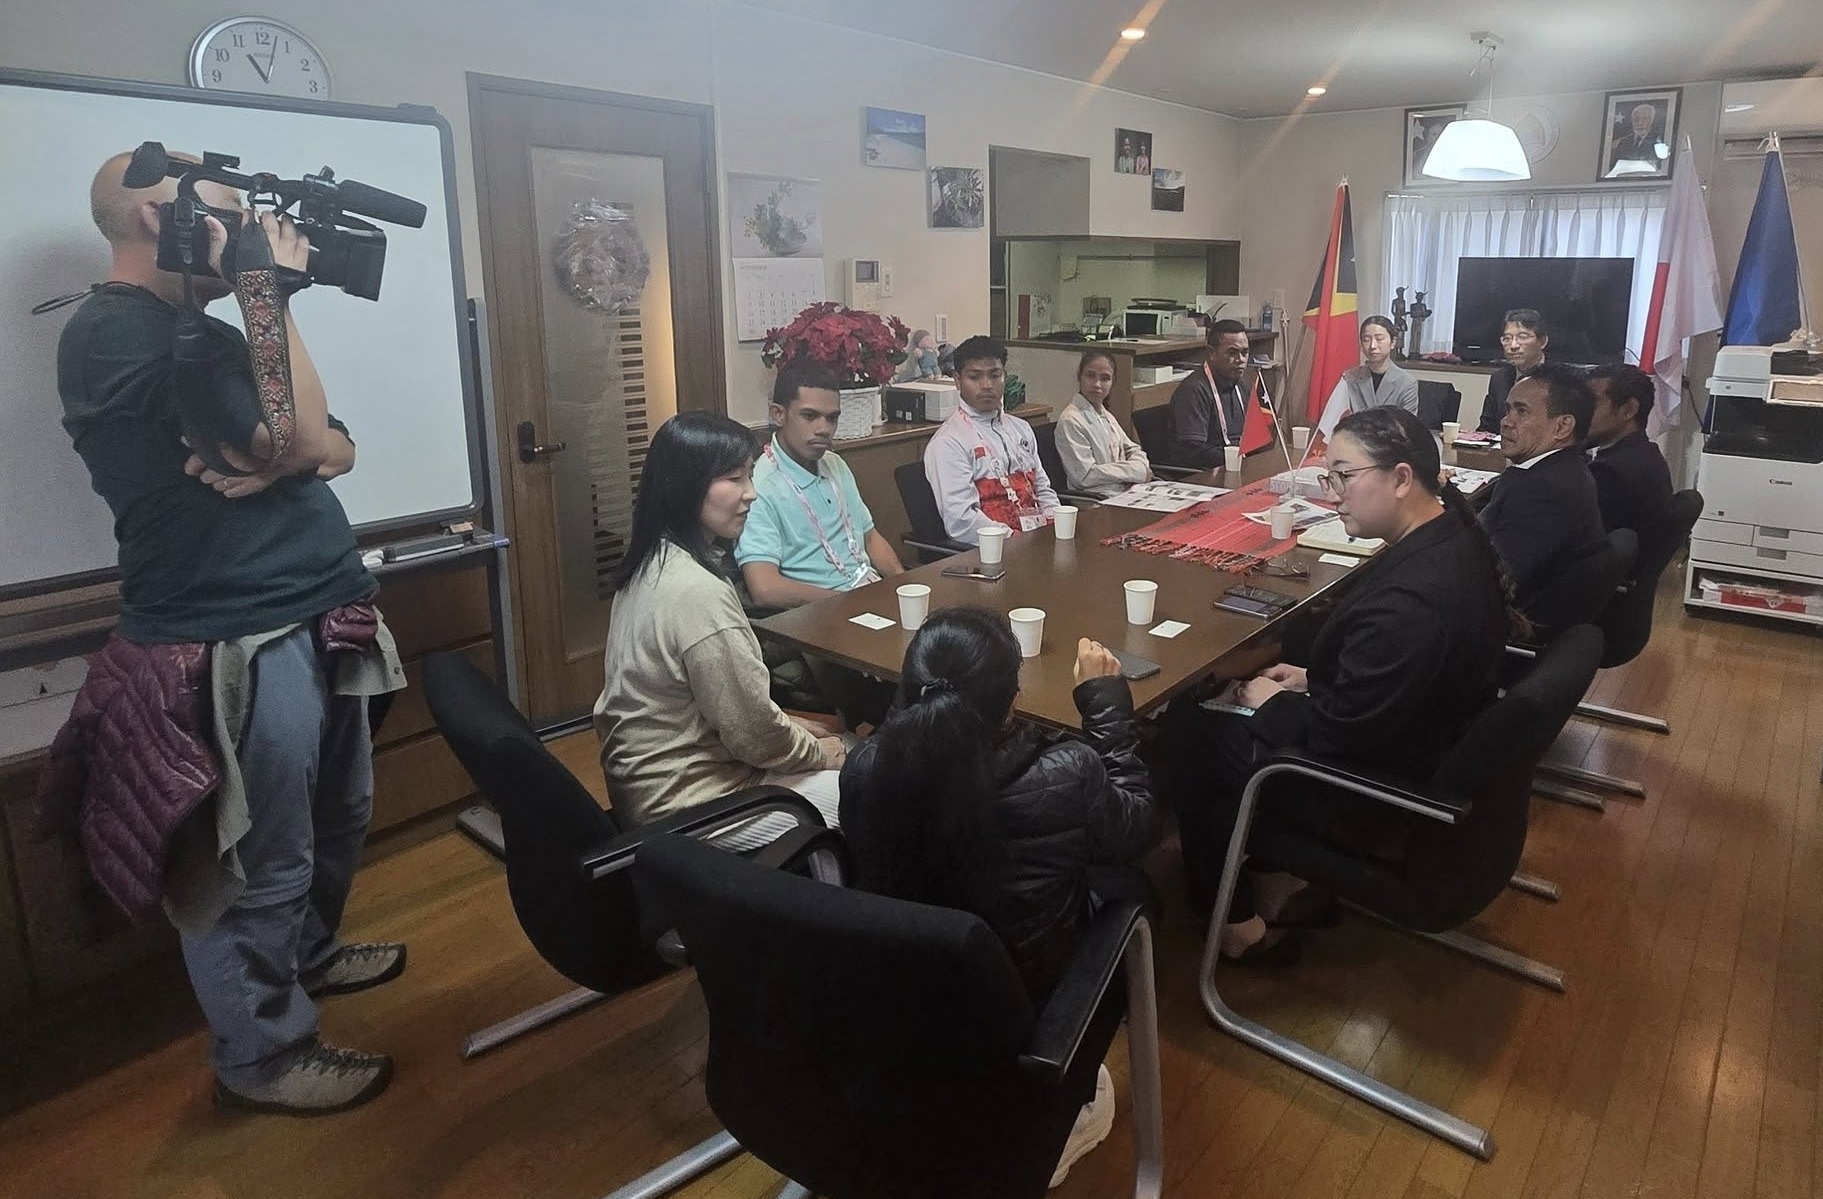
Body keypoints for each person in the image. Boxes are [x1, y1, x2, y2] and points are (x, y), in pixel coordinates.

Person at [52, 152, 406, 1113]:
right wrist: (271, 305)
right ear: (147, 219)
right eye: (224, 217)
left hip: (320, 600)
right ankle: (263, 1055)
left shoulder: (199, 329)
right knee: (260, 862)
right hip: (231, 633)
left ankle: (314, 961)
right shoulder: (112, 336)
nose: (244, 232)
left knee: (336, 819)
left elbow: (332, 441)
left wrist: (301, 448)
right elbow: (295, 441)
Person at [1166, 407, 1516, 961]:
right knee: (1222, 709)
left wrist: (1276, 703)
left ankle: (1235, 926)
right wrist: (1314, 676)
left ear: (1402, 478)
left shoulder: (1412, 604)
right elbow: (1386, 683)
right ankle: (1276, 874)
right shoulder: (1448, 538)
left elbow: (1341, 735)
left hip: (1375, 789)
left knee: (1190, 732)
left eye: (1343, 477)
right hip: (1419, 741)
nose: (1333, 494)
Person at [840, 607, 1157, 1186]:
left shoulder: (864, 768)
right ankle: (1066, 1117)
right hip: (1030, 1012)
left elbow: (903, 747)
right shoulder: (1066, 772)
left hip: (902, 1000)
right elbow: (1135, 828)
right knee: (1130, 886)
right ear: (1013, 695)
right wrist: (1107, 709)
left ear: (910, 688)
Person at [595, 412, 848, 851]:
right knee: (874, 790)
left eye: (750, 474)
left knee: (846, 747)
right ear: (684, 487)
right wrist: (815, 752)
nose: (751, 493)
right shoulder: (697, 593)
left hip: (656, 789)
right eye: (733, 478)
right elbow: (752, 735)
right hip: (693, 809)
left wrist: (792, 725)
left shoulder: (650, 563)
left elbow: (725, 709)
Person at [737, 362, 904, 608]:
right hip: (822, 614)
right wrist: (848, 602)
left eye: (832, 418)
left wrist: (905, 588)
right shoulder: (760, 486)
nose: (824, 429)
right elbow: (765, 588)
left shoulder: (834, 463)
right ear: (778, 415)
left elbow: (870, 539)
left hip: (869, 595)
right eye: (810, 416)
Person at [1477, 363, 1606, 608]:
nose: (1505, 422)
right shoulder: (1560, 469)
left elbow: (1494, 581)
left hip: (1508, 621)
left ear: (1562, 426)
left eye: (1521, 411)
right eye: (1507, 409)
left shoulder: (1545, 492)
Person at [923, 335, 1058, 545]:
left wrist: (1055, 526)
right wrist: (1016, 540)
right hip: (994, 551)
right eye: (975, 377)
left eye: (995, 375)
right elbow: (962, 522)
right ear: (957, 381)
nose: (987, 385)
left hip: (1038, 540)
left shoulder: (1021, 429)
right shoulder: (949, 443)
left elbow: (1042, 488)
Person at [1584, 363, 1674, 534]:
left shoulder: (1609, 473)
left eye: (1592, 403)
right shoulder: (1648, 453)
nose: (1582, 412)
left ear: (1628, 410)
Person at [1054, 349, 1152, 497]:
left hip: (1124, 491)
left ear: (1113, 382)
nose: (1097, 384)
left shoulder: (1105, 415)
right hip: (1095, 498)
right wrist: (1136, 471)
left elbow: (1133, 450)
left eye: (1105, 378)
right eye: (1090, 376)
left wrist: (1136, 469)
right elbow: (1085, 476)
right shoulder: (1071, 420)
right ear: (1079, 377)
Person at [1168, 318, 1252, 469]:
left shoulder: (1242, 385)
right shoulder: (1194, 390)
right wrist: (1239, 459)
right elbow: (1194, 451)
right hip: (1205, 472)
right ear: (1212, 353)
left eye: (1244, 352)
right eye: (1232, 352)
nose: (1240, 360)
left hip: (1237, 464)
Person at [1320, 316, 1420, 425]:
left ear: (1393, 342)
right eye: (1366, 340)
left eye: (1379, 339)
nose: (1372, 345)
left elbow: (1408, 429)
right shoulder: (1349, 378)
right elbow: (1337, 420)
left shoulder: (1407, 383)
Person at [1476, 308, 1550, 433]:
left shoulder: (1561, 379)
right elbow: (1486, 429)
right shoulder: (1499, 379)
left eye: (1522, 337)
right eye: (1507, 338)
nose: (1513, 346)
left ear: (1542, 342)